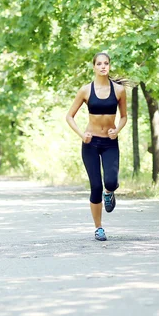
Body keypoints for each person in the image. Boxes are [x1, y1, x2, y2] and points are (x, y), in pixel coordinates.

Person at [66, 52, 128, 242]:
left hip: (110, 143)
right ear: (94, 67)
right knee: (95, 186)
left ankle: (109, 193)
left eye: (106, 63)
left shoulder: (118, 91)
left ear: (109, 66)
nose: (103, 66)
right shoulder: (86, 90)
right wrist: (81, 134)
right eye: (99, 63)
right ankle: (98, 228)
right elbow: (69, 116)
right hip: (90, 143)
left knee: (110, 183)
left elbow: (124, 116)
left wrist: (117, 130)